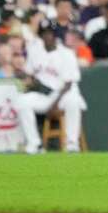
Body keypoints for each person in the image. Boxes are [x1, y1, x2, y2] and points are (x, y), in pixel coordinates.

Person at [14, 21, 86, 153]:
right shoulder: (35, 51)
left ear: (55, 35)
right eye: (45, 33)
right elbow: (30, 74)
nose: (48, 36)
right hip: (44, 95)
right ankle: (35, 144)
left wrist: (55, 103)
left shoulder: (66, 54)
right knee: (21, 101)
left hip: (63, 94)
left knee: (73, 101)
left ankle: (72, 144)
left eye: (50, 33)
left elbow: (69, 84)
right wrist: (22, 75)